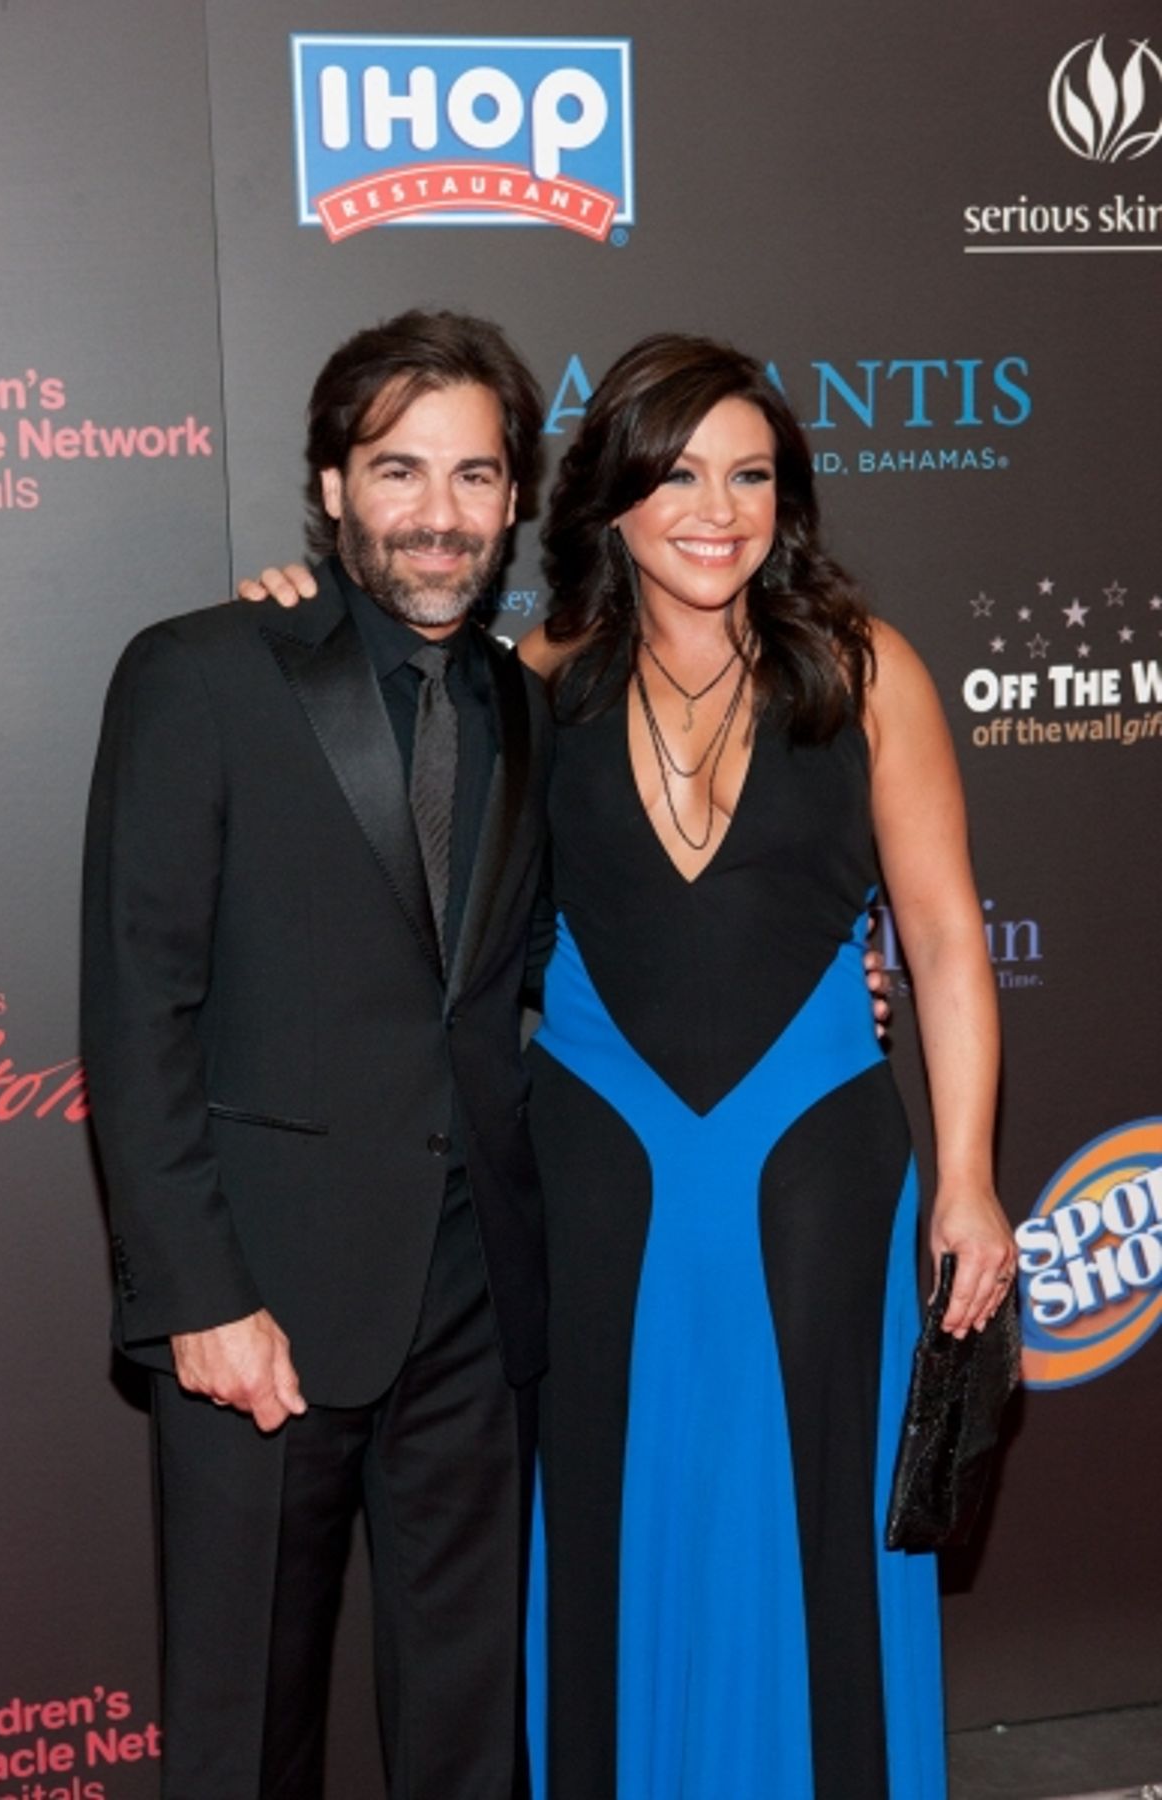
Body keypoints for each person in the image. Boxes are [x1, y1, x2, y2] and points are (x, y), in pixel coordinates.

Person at [237, 334, 948, 1800]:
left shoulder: (864, 671)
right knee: (622, 1522)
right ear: (609, 499)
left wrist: (979, 1189)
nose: (717, 506)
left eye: (751, 474)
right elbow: (403, 789)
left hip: (817, 1168)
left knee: (805, 1522)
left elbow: (942, 941)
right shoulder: (531, 685)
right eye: (679, 472)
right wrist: (292, 609)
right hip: (600, 1175)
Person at [81, 309, 554, 1800]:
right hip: (262, 1314)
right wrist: (199, 1296)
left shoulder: (527, 707)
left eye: (476, 477)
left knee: (473, 1721)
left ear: (516, 502)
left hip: (476, 1302)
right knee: (242, 1734)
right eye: (399, 470)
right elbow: (135, 1007)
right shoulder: (201, 671)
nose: (438, 515)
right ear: (334, 485)